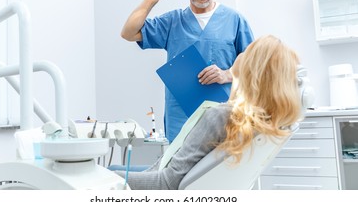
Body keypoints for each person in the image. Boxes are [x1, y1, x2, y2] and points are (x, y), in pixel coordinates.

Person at [115, 35, 303, 190]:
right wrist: (234, 77)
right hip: (167, 175)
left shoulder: (220, 116)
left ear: (252, 69)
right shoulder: (260, 119)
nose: (240, 53)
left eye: (247, 52)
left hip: (161, 184)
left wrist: (105, 178)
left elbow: (165, 184)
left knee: (106, 172)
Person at [121, 0, 254, 143]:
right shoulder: (172, 22)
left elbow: (252, 61)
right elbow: (128, 32)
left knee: (219, 169)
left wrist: (227, 74)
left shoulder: (234, 20)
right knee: (180, 171)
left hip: (222, 117)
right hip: (181, 119)